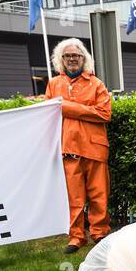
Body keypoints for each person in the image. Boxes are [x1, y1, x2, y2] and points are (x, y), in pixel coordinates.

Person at [45, 38, 113, 255]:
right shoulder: (53, 84)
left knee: (98, 194)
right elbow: (47, 115)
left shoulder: (96, 84)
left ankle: (99, 233)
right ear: (61, 60)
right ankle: (76, 237)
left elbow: (104, 114)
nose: (72, 59)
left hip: (95, 147)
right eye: (67, 56)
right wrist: (81, 108)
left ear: (84, 58)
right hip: (67, 148)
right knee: (73, 197)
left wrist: (65, 106)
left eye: (76, 55)